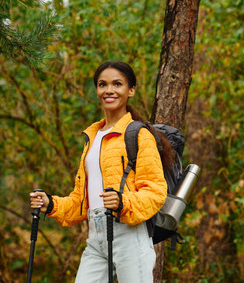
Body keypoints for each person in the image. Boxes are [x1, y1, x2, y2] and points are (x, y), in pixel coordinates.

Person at [29, 61, 172, 282]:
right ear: (97, 90)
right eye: (102, 84)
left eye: (117, 84)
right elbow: (81, 202)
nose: (109, 90)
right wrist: (51, 204)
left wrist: (123, 202)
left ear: (131, 90)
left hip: (130, 236)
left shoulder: (139, 134)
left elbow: (155, 191)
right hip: (96, 238)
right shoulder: (92, 138)